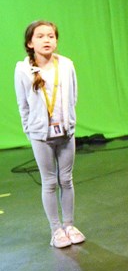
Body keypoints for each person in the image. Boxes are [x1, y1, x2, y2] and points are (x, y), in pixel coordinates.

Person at [14, 20, 85, 248]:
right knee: (49, 182)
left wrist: (70, 123)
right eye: (41, 36)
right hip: (40, 135)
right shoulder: (23, 69)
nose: (47, 40)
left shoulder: (66, 65)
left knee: (66, 179)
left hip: (65, 132)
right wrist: (30, 129)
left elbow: (73, 97)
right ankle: (56, 230)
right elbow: (22, 105)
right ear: (30, 42)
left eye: (51, 36)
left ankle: (70, 225)